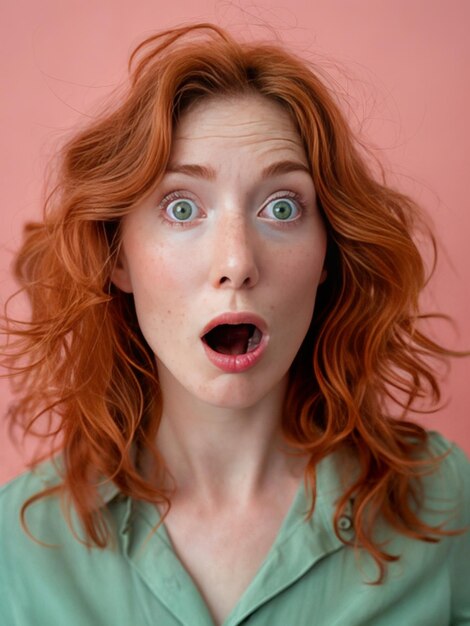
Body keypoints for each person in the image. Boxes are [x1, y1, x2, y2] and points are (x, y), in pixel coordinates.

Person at [0, 22, 468, 626]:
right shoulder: (19, 551)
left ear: (328, 255)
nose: (237, 263)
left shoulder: (441, 500)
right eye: (181, 207)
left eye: (282, 207)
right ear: (118, 258)